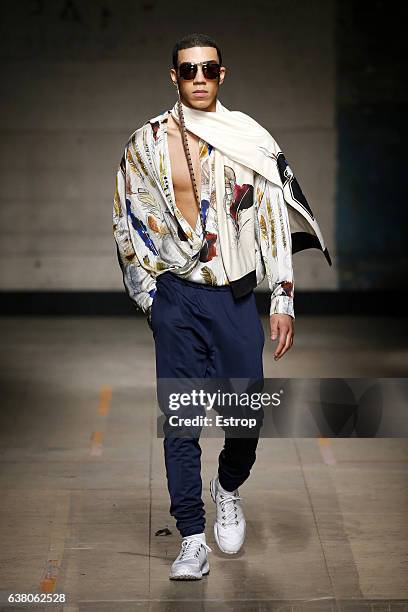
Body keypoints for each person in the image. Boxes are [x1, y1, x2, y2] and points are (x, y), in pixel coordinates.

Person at [113, 33, 331, 581]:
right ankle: (190, 536)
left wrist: (282, 298)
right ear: (174, 78)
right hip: (177, 297)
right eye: (189, 71)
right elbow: (126, 218)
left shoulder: (246, 139)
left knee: (246, 415)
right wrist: (150, 298)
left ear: (223, 74)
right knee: (182, 419)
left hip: (234, 297)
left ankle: (227, 487)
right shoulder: (145, 144)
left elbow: (273, 222)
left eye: (208, 68)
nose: (199, 78)